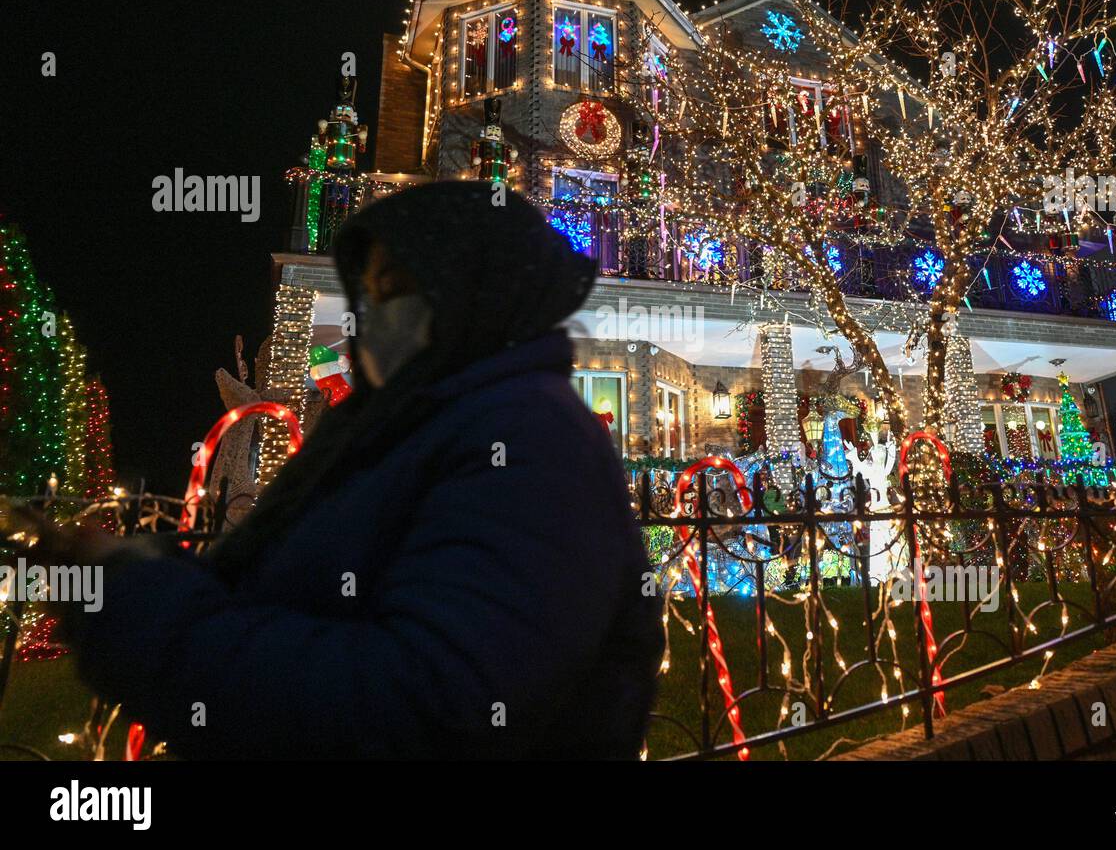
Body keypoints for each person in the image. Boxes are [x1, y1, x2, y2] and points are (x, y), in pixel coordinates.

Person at [38, 182, 664, 759]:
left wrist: (137, 609)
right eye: (364, 292)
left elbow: (424, 705)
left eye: (391, 288)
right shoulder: (397, 427)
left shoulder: (528, 438)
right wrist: (147, 569)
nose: (369, 314)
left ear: (473, 288)